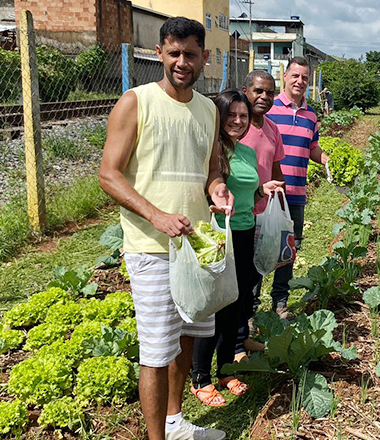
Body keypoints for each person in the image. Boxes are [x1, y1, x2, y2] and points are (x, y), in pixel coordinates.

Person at [98, 17, 230, 440]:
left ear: (204, 58)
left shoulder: (209, 109)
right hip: (151, 246)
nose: (181, 62)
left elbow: (209, 170)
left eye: (190, 54)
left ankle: (175, 423)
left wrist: (219, 189)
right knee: (155, 352)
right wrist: (156, 215)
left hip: (198, 246)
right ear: (159, 53)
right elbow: (108, 175)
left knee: (188, 336)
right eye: (173, 53)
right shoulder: (135, 102)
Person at [190, 90, 283, 407]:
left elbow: (247, 190)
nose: (239, 121)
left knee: (236, 302)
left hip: (244, 231)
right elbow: (203, 192)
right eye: (232, 115)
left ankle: (226, 370)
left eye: (243, 116)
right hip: (217, 237)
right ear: (219, 116)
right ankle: (200, 378)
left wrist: (262, 188)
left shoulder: (243, 151)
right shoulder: (210, 152)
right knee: (214, 306)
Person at [265, 56, 329, 318]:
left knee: (287, 251)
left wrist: (326, 159)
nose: (300, 81)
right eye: (295, 75)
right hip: (268, 195)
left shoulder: (311, 115)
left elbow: (312, 148)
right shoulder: (269, 108)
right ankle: (251, 308)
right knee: (262, 247)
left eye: (304, 77)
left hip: (296, 195)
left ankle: (280, 303)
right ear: (285, 77)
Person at [240, 70, 285, 346]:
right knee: (239, 279)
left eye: (269, 92)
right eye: (258, 91)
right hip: (238, 214)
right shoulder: (236, 125)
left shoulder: (271, 129)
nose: (264, 97)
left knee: (256, 272)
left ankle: (246, 331)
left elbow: (276, 169)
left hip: (263, 214)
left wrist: (280, 204)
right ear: (246, 91)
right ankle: (238, 336)